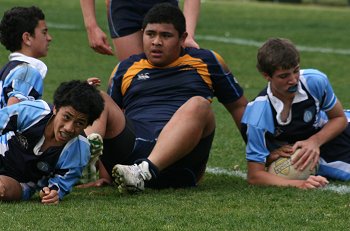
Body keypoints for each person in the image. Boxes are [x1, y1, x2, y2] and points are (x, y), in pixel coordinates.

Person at [78, 3, 247, 193]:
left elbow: (239, 107)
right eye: (150, 34)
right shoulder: (125, 68)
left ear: (183, 38)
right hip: (131, 153)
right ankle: (79, 165)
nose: (156, 42)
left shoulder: (207, 61)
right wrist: (106, 176)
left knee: (199, 104)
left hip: (180, 163)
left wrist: (264, 155)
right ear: (142, 34)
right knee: (96, 98)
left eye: (166, 36)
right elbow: (110, 120)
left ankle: (144, 171)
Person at [241, 38, 350, 189]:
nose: (293, 80)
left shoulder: (314, 81)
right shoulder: (258, 114)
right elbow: (255, 175)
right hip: (321, 155)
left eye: (296, 71)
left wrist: (314, 141)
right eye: (284, 76)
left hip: (331, 131)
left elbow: (339, 118)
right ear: (267, 76)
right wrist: (299, 183)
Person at [0, 80, 104, 204]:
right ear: (55, 108)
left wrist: (53, 193)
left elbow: (60, 185)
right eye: (66, 117)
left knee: (1, 189)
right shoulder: (33, 111)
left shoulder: (80, 150)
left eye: (79, 123)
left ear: (87, 125)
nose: (69, 128)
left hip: (19, 182)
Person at [79, 0, 200, 61]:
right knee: (134, 78)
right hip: (124, 7)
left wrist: (188, 35)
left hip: (164, 4)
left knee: (169, 77)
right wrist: (91, 26)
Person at [0, 6, 52, 108]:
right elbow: (12, 113)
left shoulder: (7, 69)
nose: (49, 38)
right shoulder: (28, 72)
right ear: (27, 38)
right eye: (44, 32)